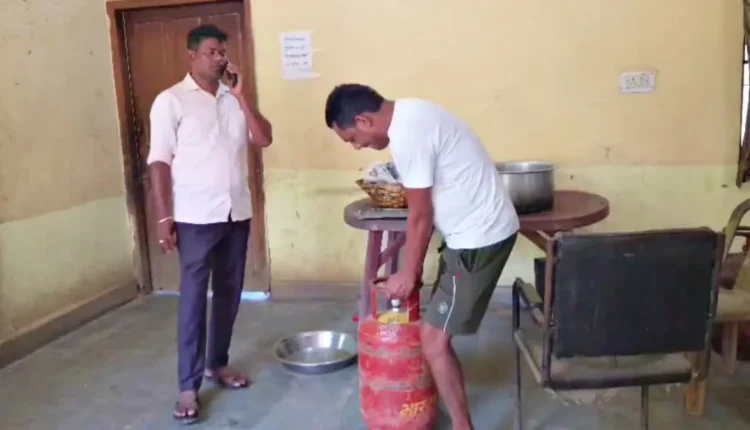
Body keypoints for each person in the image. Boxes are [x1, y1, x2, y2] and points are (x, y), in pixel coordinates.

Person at [324, 84, 519, 430]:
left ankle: (463, 426)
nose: (357, 146)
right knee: (434, 336)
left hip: (478, 239)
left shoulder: (408, 134)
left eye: (352, 138)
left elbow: (420, 215)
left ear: (363, 120)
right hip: (468, 235)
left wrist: (408, 273)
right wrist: (409, 272)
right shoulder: (412, 113)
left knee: (433, 340)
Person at [147, 24, 273, 425]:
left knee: (229, 294)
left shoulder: (233, 98)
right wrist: (163, 217)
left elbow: (263, 138)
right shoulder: (171, 101)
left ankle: (217, 364)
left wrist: (242, 97)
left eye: (223, 52)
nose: (220, 58)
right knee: (193, 299)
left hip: (236, 212)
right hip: (195, 217)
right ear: (192, 56)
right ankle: (188, 385)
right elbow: (159, 161)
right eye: (212, 52)